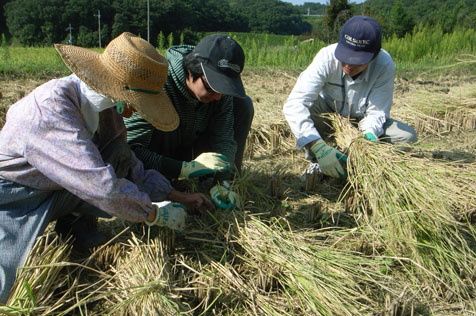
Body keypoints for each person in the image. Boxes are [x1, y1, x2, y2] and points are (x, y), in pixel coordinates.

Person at [0, 32, 214, 303]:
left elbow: (132, 169)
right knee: (4, 285)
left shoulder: (105, 110)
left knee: (119, 153)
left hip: (61, 189)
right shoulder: (51, 110)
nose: (137, 113)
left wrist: (179, 197)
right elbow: (102, 187)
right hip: (15, 196)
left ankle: (74, 226)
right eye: (139, 105)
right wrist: (153, 214)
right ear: (120, 93)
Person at [125, 34, 254, 209]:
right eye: (211, 88)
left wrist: (223, 181)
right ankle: (163, 184)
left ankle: (221, 180)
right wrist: (182, 168)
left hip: (196, 151)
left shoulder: (220, 95)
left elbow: (223, 137)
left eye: (223, 89)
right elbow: (132, 150)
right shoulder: (158, 83)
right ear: (192, 72)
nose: (217, 96)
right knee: (166, 121)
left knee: (243, 104)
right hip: (161, 155)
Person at [283, 16, 417, 179]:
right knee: (307, 107)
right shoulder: (326, 57)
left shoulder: (384, 64)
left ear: (374, 55)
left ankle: (368, 164)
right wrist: (318, 146)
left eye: (357, 61)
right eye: (345, 57)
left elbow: (377, 111)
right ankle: (317, 160)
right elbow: (295, 104)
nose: (348, 65)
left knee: (406, 137)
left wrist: (369, 134)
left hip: (362, 120)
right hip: (328, 115)